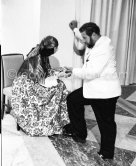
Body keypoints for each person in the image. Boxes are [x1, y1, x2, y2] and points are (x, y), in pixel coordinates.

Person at [63, 20, 121, 160]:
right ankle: (79, 131)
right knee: (73, 100)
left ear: (93, 34)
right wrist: (75, 29)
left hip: (105, 93)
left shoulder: (103, 48)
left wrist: (73, 71)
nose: (82, 40)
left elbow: (92, 72)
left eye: (85, 38)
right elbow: (79, 34)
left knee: (105, 123)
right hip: (93, 88)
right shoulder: (93, 41)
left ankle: (107, 153)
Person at [10, 36, 70, 136]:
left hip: (33, 82)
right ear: (52, 49)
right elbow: (39, 80)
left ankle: (54, 122)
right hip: (26, 87)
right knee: (58, 87)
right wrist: (57, 76)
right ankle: (45, 124)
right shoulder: (36, 59)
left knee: (60, 85)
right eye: (56, 47)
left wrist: (58, 72)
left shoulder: (43, 55)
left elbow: (45, 72)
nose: (57, 49)